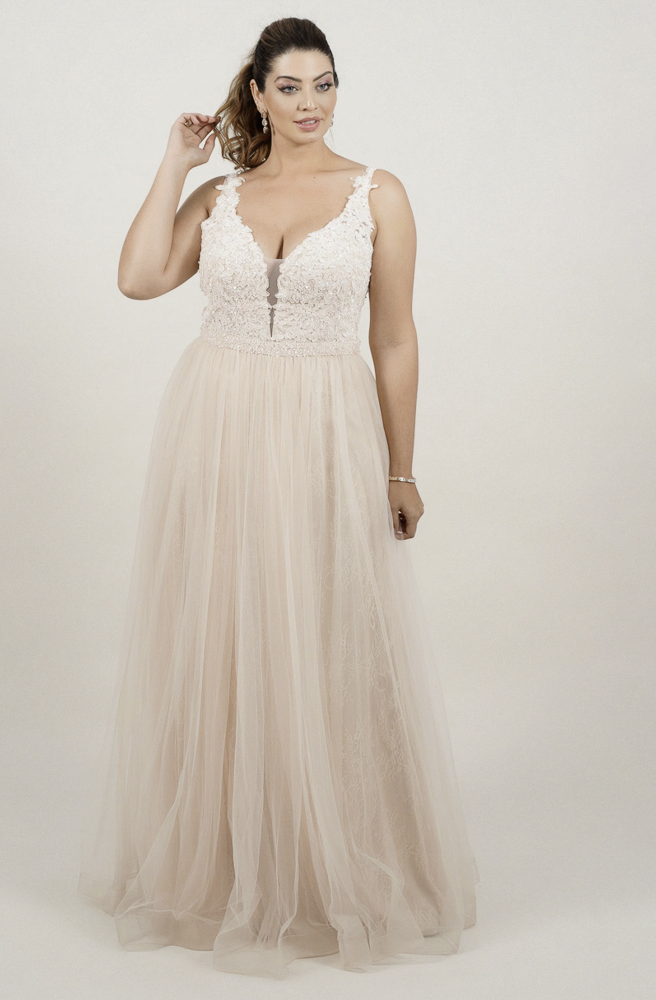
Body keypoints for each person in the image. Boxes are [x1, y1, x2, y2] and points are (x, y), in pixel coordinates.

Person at [77, 16, 479, 980]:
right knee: (225, 630)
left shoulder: (378, 193)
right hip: (216, 429)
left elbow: (394, 338)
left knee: (329, 630)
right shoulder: (222, 194)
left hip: (325, 429)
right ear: (257, 93)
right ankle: (230, 870)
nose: (310, 103)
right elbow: (137, 278)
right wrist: (174, 164)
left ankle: (337, 865)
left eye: (324, 83)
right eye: (290, 86)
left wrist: (402, 468)